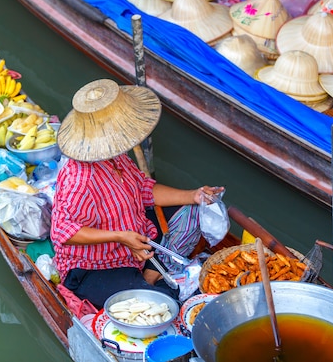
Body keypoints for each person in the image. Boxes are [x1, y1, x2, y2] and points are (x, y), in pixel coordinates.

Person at [50, 79, 224, 309]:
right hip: (94, 265)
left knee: (194, 213)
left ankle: (151, 274)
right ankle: (150, 279)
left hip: (134, 237)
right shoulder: (79, 177)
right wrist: (120, 236)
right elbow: (63, 231)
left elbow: (143, 189)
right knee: (151, 305)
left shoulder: (115, 156)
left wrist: (194, 195)